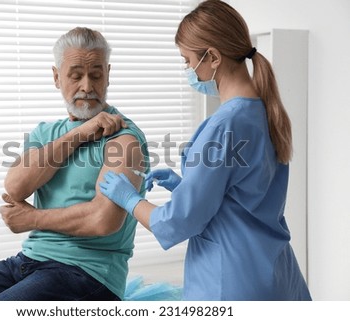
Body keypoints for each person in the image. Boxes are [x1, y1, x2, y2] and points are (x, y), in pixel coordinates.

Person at [100, 0, 311, 301]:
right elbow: (244, 196)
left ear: (212, 57)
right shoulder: (265, 112)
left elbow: (179, 222)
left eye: (187, 60)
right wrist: (184, 186)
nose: (187, 70)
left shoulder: (223, 126)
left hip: (232, 281)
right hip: (276, 273)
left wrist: (130, 199)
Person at [0, 27, 149, 301]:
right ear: (56, 77)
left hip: (89, 274)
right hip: (28, 261)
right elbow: (16, 187)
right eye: (76, 75)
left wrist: (32, 218)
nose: (87, 86)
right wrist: (79, 133)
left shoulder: (124, 139)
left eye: (96, 74)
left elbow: (102, 220)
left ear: (108, 74)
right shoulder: (45, 133)